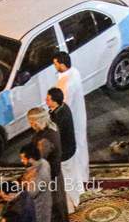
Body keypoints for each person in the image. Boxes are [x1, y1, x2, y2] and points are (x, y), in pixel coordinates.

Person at [51, 53, 88, 208]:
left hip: (70, 124)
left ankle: (76, 191)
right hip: (77, 117)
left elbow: (63, 104)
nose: (54, 66)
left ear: (62, 64)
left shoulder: (66, 83)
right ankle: (82, 178)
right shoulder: (75, 72)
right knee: (80, 148)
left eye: (55, 63)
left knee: (71, 164)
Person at [27, 106, 68, 222]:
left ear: (35, 122)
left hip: (49, 177)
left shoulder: (43, 140)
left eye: (30, 122)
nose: (30, 125)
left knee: (51, 207)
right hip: (56, 172)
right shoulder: (53, 127)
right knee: (59, 204)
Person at [44, 88, 81, 212]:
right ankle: (75, 198)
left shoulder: (58, 118)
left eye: (48, 99)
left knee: (66, 179)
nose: (45, 101)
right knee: (70, 176)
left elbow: (55, 138)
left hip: (65, 153)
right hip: (69, 149)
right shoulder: (63, 107)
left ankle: (72, 204)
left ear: (55, 101)